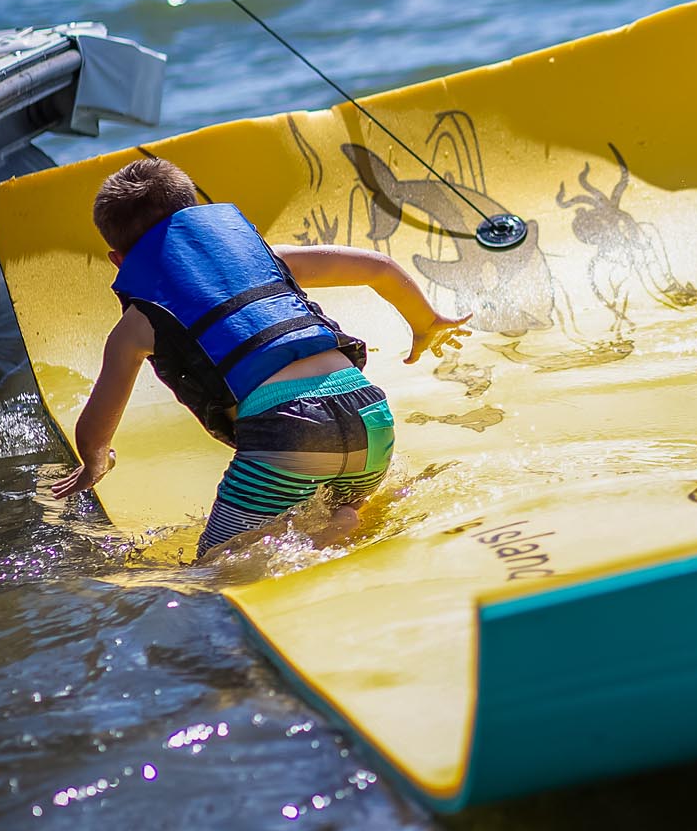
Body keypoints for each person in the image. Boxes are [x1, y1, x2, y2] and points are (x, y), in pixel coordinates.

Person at [51, 156, 469, 555]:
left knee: (216, 566)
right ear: (198, 215)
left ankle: (334, 529)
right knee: (333, 500)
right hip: (369, 416)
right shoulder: (270, 259)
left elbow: (93, 430)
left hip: (285, 436)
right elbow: (379, 267)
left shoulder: (138, 322)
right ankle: (346, 515)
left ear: (118, 261)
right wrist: (426, 323)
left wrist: (95, 462)